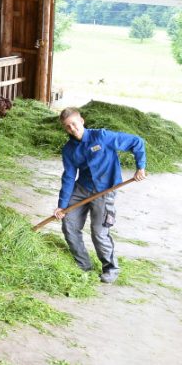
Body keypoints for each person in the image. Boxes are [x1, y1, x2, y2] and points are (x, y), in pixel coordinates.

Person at [53, 107, 146, 284]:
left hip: (106, 190)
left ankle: (111, 268)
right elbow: (69, 177)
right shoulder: (69, 149)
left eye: (74, 123)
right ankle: (84, 265)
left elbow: (136, 142)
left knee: (99, 231)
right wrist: (62, 205)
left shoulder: (101, 137)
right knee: (69, 225)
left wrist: (140, 167)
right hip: (82, 189)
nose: (72, 128)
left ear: (82, 121)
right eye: (67, 126)